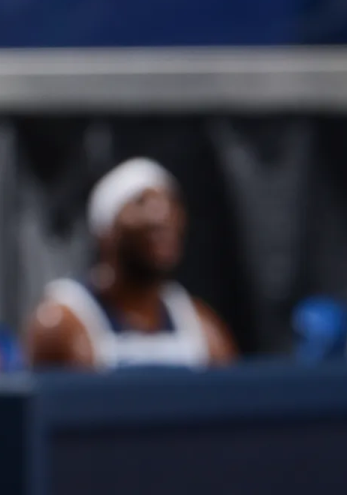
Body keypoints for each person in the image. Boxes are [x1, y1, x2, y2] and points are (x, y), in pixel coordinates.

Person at [27, 158, 237, 371]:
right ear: (105, 230)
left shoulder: (200, 328)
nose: (161, 216)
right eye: (140, 202)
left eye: (170, 202)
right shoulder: (63, 323)